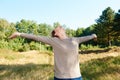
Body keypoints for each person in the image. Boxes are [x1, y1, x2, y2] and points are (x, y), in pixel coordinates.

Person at [9, 26, 97, 80]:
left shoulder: (75, 40)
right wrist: (19, 34)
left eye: (60, 27)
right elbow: (36, 37)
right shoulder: (54, 41)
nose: (60, 27)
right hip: (60, 77)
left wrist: (94, 36)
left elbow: (88, 37)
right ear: (56, 33)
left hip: (76, 77)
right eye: (57, 28)